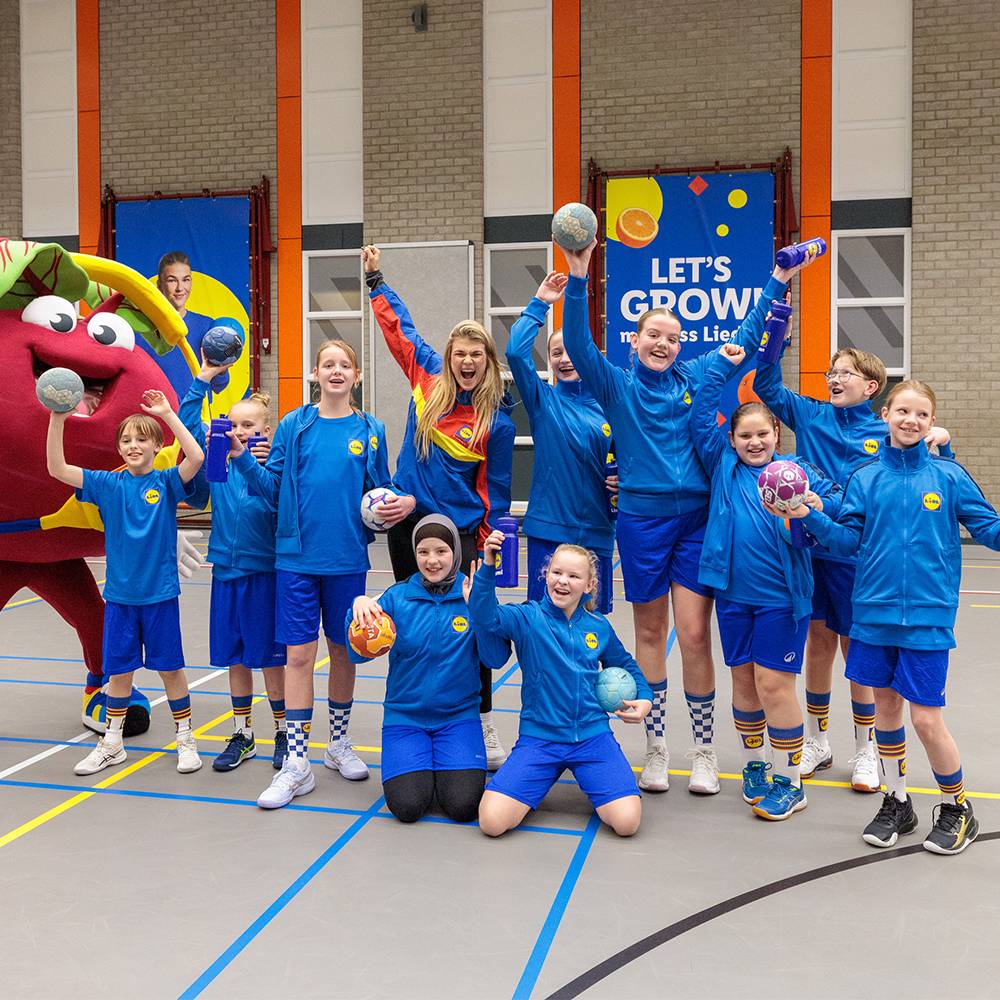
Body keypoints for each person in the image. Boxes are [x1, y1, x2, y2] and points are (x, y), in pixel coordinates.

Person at [559, 238, 813, 795]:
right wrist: (578, 274)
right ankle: (655, 749)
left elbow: (747, 335)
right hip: (641, 524)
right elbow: (576, 342)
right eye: (654, 334)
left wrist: (777, 278)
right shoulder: (616, 386)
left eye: (673, 338)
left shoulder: (696, 376)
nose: (664, 344)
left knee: (695, 635)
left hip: (698, 523)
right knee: (650, 633)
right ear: (634, 340)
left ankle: (703, 752)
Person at [779, 380, 1000, 854]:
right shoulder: (865, 478)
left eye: (921, 414)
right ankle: (897, 800)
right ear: (886, 415)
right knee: (886, 713)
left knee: (927, 721)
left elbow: (990, 529)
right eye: (902, 411)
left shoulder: (949, 476)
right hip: (873, 616)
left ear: (932, 421)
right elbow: (846, 541)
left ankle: (958, 808)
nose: (911, 421)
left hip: (927, 618)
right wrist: (806, 514)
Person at [753, 324, 952, 791]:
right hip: (810, 549)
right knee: (818, 643)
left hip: (857, 558)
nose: (834, 379)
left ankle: (865, 748)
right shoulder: (812, 414)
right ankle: (818, 740)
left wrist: (940, 436)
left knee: (854, 649)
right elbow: (765, 384)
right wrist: (776, 334)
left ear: (871, 386)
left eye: (845, 373)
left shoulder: (887, 432)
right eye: (832, 373)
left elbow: (928, 464)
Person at [230, 339, 403, 809]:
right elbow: (271, 490)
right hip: (296, 561)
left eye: (345, 364)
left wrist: (393, 503)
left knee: (344, 653)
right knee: (299, 657)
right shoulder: (294, 425)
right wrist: (241, 458)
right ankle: (296, 762)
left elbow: (379, 491)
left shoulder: (371, 429)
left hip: (347, 560)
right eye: (328, 364)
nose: (336, 371)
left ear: (357, 376)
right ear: (315, 374)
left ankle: (338, 744)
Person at [363, 244, 515, 769]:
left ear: (487, 362)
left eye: (476, 355)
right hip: (407, 528)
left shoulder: (496, 423)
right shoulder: (426, 378)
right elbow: (398, 330)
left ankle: (483, 720)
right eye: (460, 354)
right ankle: (416, 715)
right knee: (414, 623)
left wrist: (489, 551)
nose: (467, 362)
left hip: (462, 538)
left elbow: (494, 492)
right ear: (449, 357)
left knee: (472, 626)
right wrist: (376, 282)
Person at [690, 343, 841, 819]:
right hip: (733, 597)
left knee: (774, 685)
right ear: (731, 440)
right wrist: (723, 366)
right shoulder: (724, 467)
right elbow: (700, 411)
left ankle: (791, 782)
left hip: (782, 600)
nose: (755, 442)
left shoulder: (798, 472)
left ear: (777, 433)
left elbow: (839, 503)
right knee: (744, 681)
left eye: (763, 433)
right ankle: (755, 765)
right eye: (745, 435)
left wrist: (816, 505)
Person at [45, 390, 205, 775]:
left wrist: (167, 414)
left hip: (160, 597)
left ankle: (185, 739)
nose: (133, 445)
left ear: (157, 446)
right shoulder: (107, 484)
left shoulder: (166, 482)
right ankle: (112, 743)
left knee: (171, 671)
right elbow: (57, 468)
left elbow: (197, 457)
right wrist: (57, 418)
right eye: (127, 440)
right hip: (119, 599)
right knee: (118, 674)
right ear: (119, 448)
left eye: (142, 439)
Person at [470, 536, 652, 837]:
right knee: (491, 822)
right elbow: (485, 616)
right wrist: (489, 567)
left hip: (592, 739)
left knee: (627, 823)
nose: (563, 581)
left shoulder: (598, 626)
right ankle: (538, 777)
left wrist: (644, 698)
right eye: (556, 572)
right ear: (546, 575)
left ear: (589, 585)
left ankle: (587, 775)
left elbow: (626, 663)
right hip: (540, 740)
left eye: (573, 576)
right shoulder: (527, 618)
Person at [347, 514, 500, 824]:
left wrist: (480, 611)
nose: (432, 560)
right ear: (414, 554)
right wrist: (358, 608)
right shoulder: (396, 597)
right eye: (423, 552)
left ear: (455, 552)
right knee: (407, 806)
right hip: (405, 720)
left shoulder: (472, 594)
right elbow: (356, 656)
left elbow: (495, 657)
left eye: (441, 551)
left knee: (462, 806)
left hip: (458, 719)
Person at [178, 359, 287, 771]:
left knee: (271, 659)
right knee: (236, 656)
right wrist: (201, 381)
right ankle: (243, 734)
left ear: (265, 431)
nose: (238, 431)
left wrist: (250, 460)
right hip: (225, 572)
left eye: (248, 425)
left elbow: (276, 500)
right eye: (233, 423)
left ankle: (283, 732)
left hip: (264, 575)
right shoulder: (217, 467)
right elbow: (189, 430)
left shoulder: (275, 468)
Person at [505, 270, 617, 614]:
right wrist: (540, 303)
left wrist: (624, 482)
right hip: (548, 531)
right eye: (556, 353)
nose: (564, 359)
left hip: (596, 532)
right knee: (542, 624)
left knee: (591, 627)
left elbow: (630, 461)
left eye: (571, 351)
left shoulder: (611, 405)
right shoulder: (543, 400)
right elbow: (515, 352)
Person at [140, 251, 224, 400]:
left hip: (195, 411)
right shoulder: (141, 328)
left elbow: (219, 385)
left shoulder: (207, 326)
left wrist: (222, 365)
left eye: (186, 280)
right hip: (154, 410)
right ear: (159, 285)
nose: (180, 288)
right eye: (172, 280)